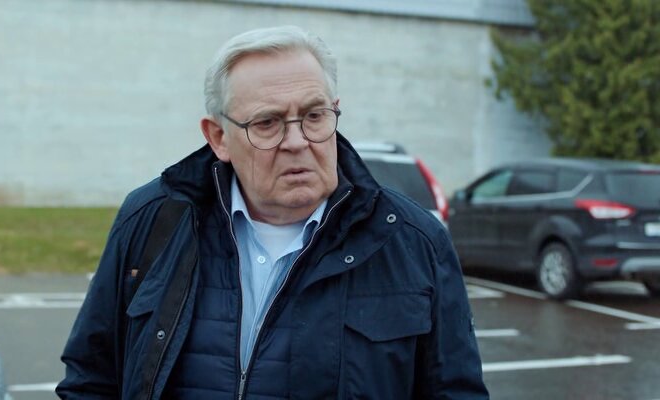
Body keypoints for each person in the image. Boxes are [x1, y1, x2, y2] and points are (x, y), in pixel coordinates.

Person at [57, 25, 488, 399]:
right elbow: (91, 379)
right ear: (219, 138)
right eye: (267, 123)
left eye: (314, 116)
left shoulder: (413, 241)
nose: (297, 142)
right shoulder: (154, 219)